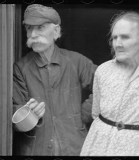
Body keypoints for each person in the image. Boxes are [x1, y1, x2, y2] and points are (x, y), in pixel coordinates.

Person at [13, 4, 97, 156]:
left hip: (75, 147)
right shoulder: (20, 68)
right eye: (29, 28)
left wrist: (83, 114)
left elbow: (106, 87)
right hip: (37, 149)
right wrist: (27, 115)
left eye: (40, 28)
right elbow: (15, 118)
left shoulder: (76, 61)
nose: (33, 34)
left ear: (56, 31)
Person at [80, 12, 139, 156]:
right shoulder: (103, 70)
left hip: (138, 146)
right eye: (114, 38)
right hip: (100, 144)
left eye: (125, 37)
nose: (118, 44)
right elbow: (96, 112)